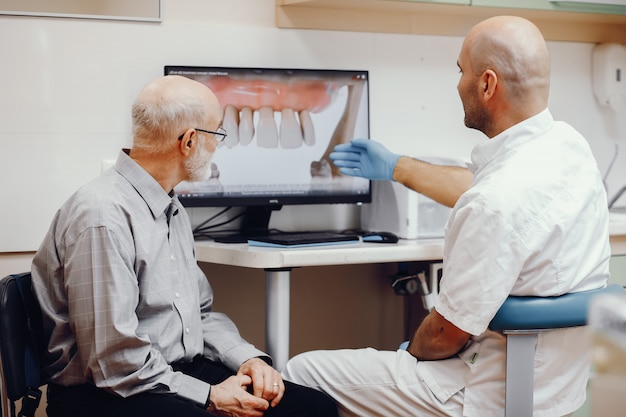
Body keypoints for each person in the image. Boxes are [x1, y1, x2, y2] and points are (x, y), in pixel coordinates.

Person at [281, 15, 611, 417]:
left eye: (461, 71)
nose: (458, 83)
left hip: (483, 391)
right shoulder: (568, 147)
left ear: (487, 84)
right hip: (558, 390)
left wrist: (412, 351)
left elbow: (443, 336)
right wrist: (396, 166)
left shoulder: (495, 201)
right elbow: (488, 190)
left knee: (298, 372)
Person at [31, 75, 338, 417]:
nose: (220, 144)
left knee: (313, 408)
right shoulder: (102, 216)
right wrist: (211, 396)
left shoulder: (169, 206)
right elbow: (113, 362)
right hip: (106, 394)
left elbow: (199, 315)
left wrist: (248, 358)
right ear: (189, 141)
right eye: (218, 134)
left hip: (170, 373)